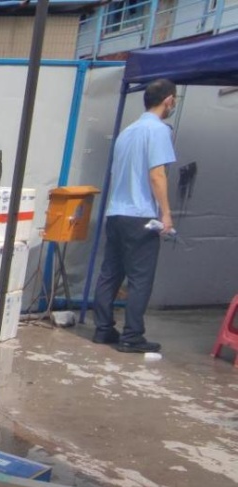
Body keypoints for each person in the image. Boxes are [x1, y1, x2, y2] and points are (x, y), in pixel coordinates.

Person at [92, 78, 178, 353]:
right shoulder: (158, 131)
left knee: (110, 273)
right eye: (174, 100)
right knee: (140, 278)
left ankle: (103, 329)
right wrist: (166, 213)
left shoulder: (127, 132)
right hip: (141, 216)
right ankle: (132, 336)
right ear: (169, 100)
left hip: (116, 213)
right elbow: (157, 174)